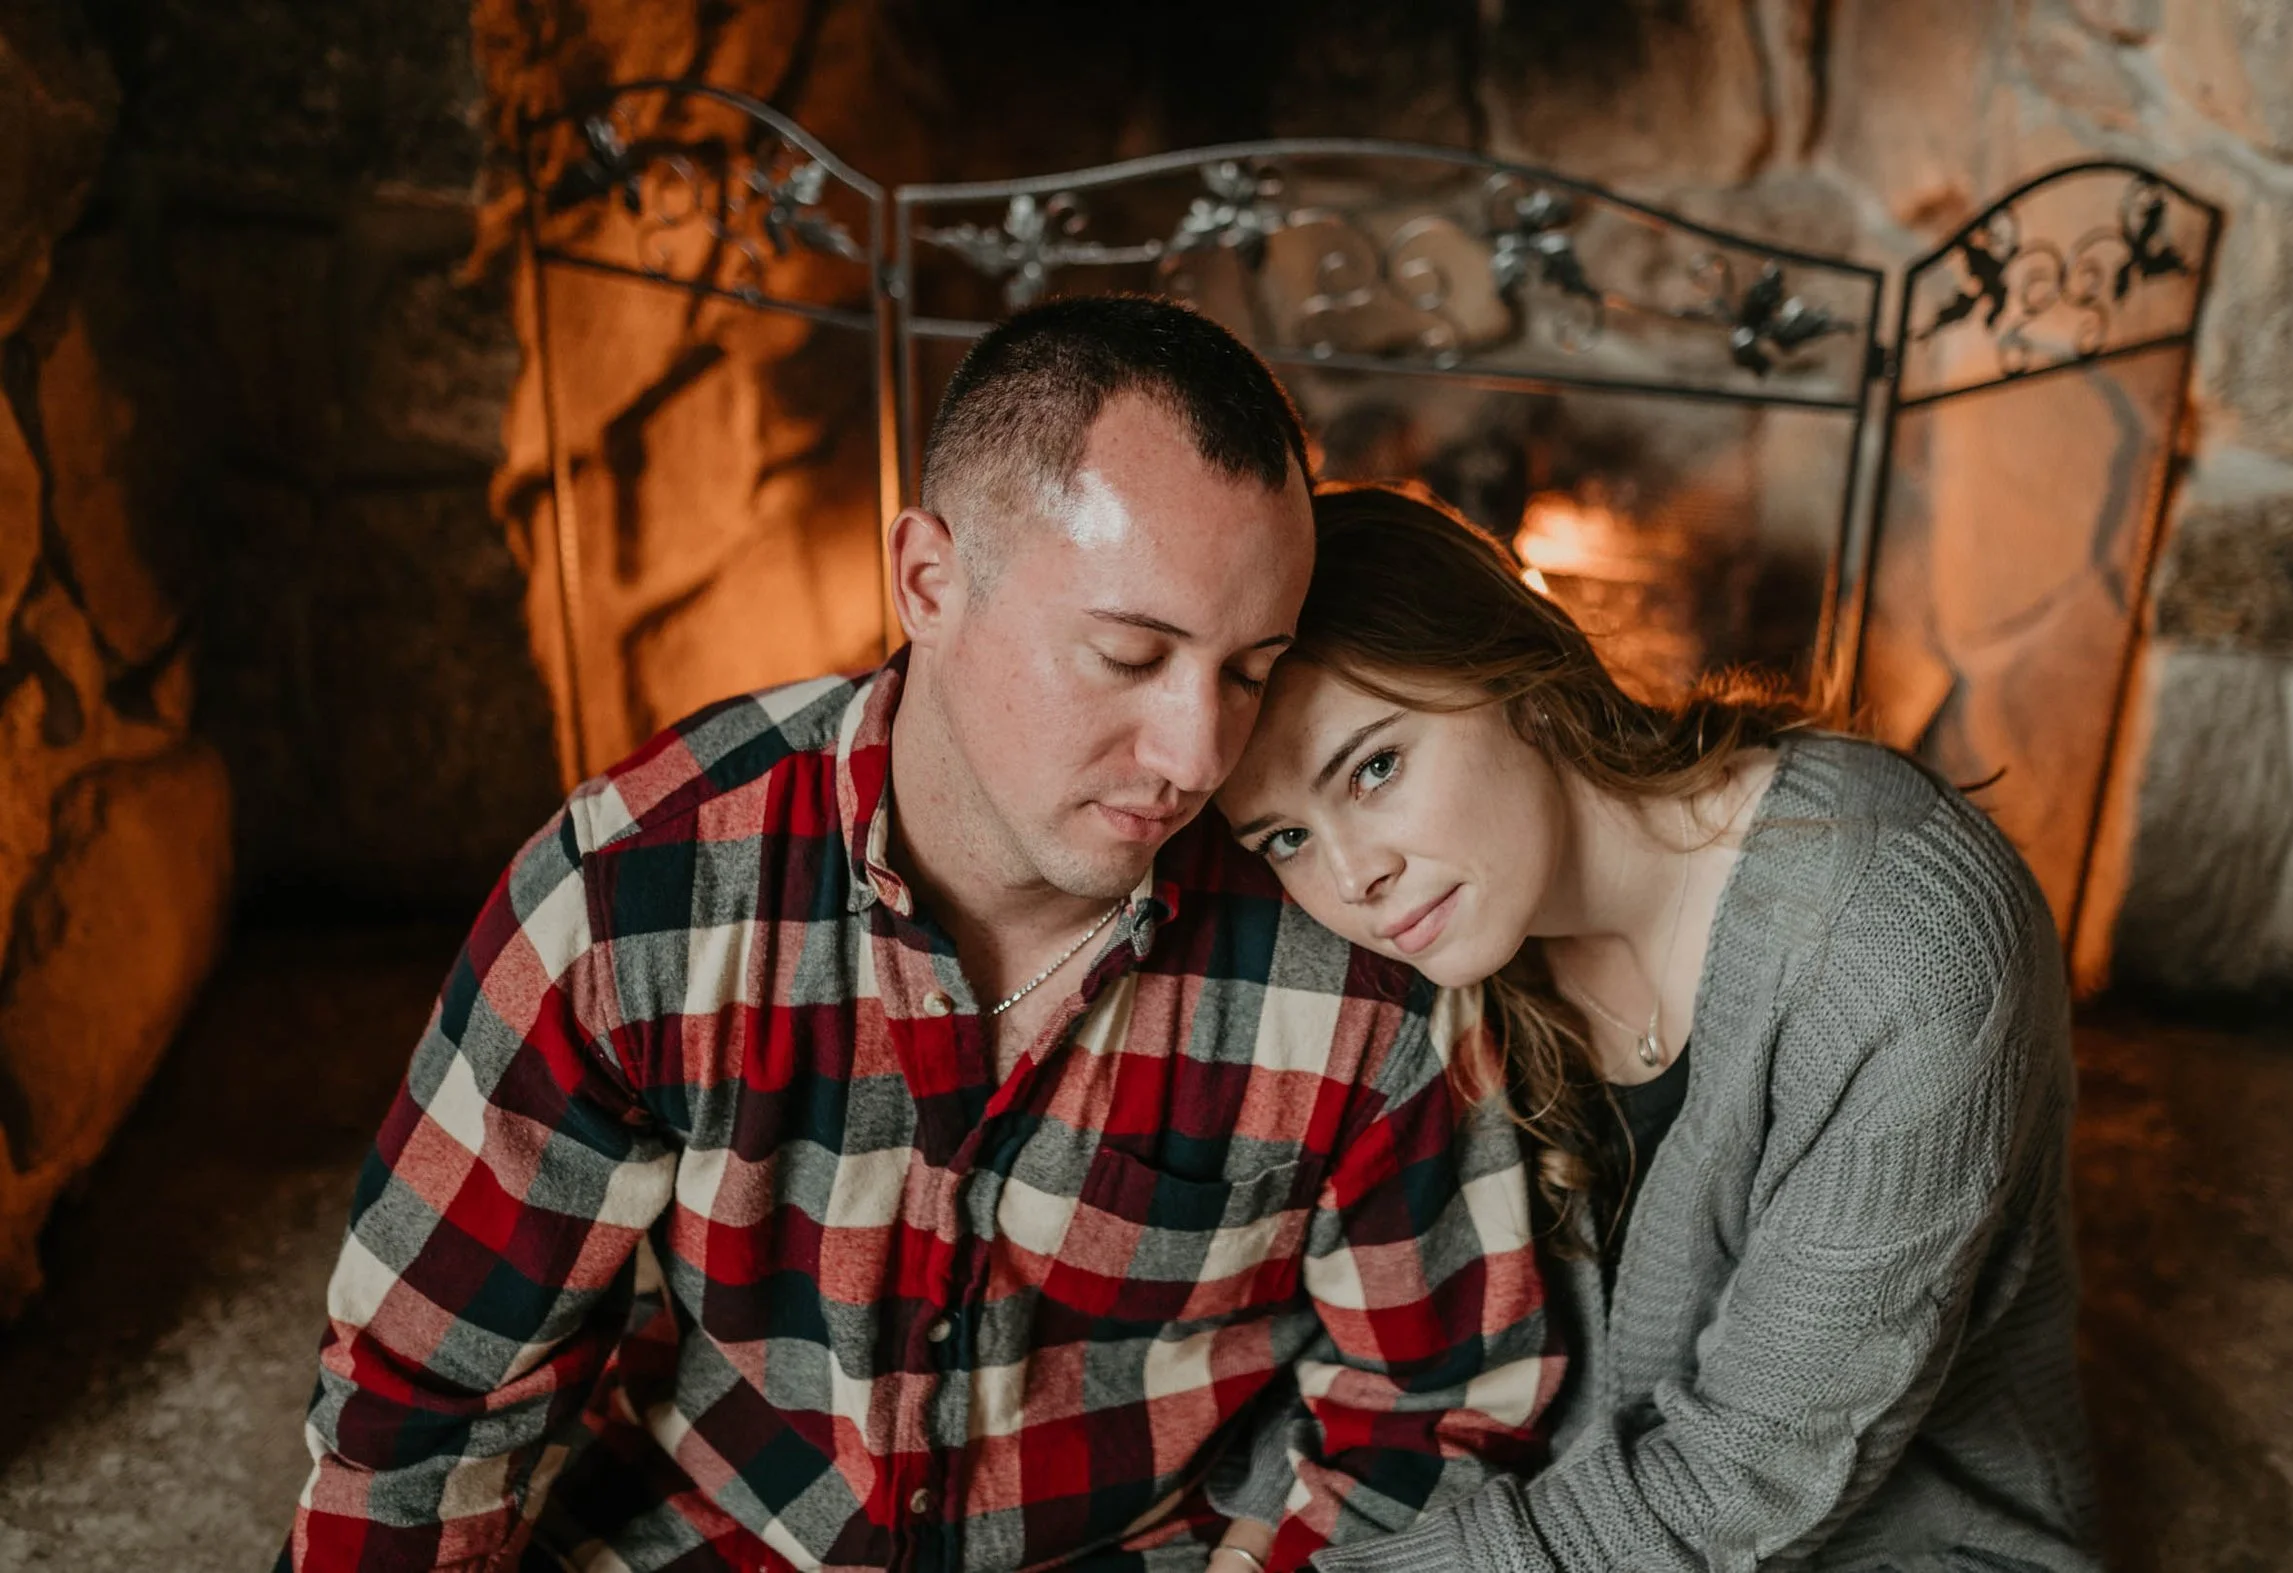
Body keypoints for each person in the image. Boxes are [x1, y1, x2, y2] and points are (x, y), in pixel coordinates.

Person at [281, 302, 1554, 1573]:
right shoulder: (643, 889)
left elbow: (1421, 1419)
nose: (1197, 758)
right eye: (1129, 654)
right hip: (725, 1536)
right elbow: (426, 1399)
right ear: (929, 581)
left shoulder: (1349, 952)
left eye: (1244, 670)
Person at [1212, 485, 2099, 1572]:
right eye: (1286, 837)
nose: (1353, 876)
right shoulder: (1451, 940)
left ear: (1520, 679)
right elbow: (1351, 1308)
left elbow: (1738, 1480)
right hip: (1552, 1519)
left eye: (1377, 766)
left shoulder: (1899, 942)